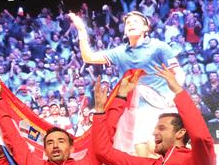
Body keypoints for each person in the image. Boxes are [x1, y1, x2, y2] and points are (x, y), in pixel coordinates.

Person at [70, 11, 185, 157]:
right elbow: (88, 57)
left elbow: (179, 73)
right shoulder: (120, 52)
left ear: (145, 28)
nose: (131, 24)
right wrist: (81, 31)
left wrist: (172, 95)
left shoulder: (159, 47)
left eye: (136, 21)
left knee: (159, 148)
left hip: (162, 106)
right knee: (140, 150)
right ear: (124, 30)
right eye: (128, 23)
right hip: (136, 110)